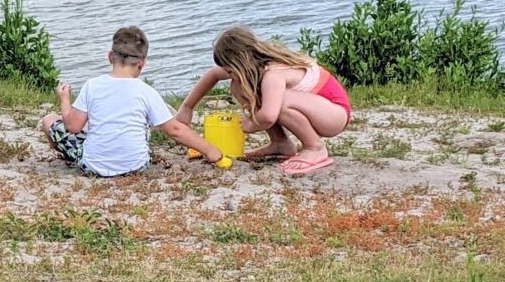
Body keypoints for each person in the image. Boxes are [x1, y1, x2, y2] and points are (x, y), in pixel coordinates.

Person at [41, 26, 226, 177]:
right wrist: (209, 150)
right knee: (143, 123)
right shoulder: (146, 91)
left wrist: (64, 100)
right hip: (136, 167)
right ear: (142, 62)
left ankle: (68, 155)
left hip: (92, 167)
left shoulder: (92, 86)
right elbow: (175, 130)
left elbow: (73, 126)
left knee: (49, 119)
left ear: (110, 57)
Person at [175, 26, 351, 176]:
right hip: (320, 110)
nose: (228, 75)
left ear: (241, 64)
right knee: (240, 87)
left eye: (230, 71)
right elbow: (213, 74)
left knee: (278, 101)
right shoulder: (252, 68)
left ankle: (315, 148)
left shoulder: (272, 75)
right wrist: (187, 107)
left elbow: (268, 116)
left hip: (335, 115)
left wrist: (251, 124)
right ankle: (280, 144)